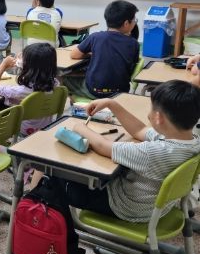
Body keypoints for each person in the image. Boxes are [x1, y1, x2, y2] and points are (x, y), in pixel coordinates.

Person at [64, 80, 200, 223]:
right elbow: (139, 130)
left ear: (158, 117)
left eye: (152, 109)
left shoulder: (151, 152)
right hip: (158, 205)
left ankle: (62, 229)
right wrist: (111, 104)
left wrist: (80, 128)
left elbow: (102, 146)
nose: (148, 115)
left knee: (61, 181)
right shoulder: (191, 141)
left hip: (127, 207)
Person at [64, 0, 139, 99]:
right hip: (120, 93)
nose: (135, 22)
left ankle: (76, 105)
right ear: (126, 23)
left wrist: (91, 54)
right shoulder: (134, 44)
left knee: (62, 78)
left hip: (94, 91)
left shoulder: (96, 37)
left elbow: (74, 55)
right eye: (134, 20)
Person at [0, 43, 58, 135]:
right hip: (46, 127)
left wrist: (3, 65)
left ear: (29, 67)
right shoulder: (55, 83)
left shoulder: (20, 92)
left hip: (25, 131)